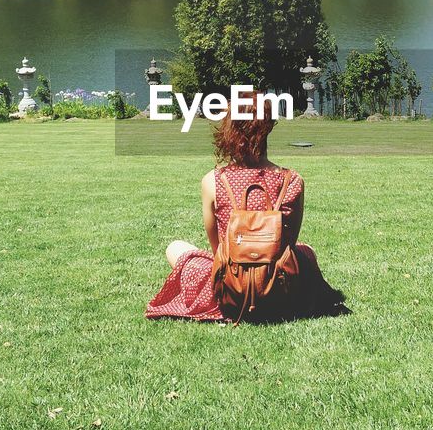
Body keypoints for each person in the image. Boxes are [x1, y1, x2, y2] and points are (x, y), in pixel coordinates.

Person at [146, 107, 345, 322]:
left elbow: (217, 250)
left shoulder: (213, 181)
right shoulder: (293, 180)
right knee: (307, 250)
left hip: (230, 291)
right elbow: (289, 244)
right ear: (268, 127)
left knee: (175, 247)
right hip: (281, 289)